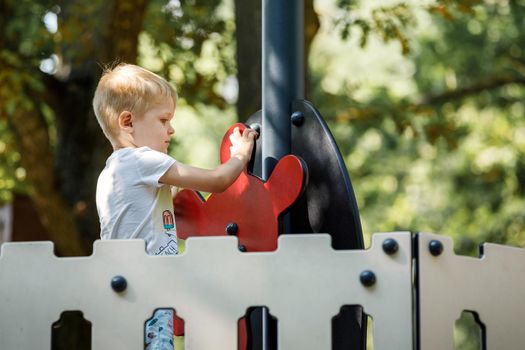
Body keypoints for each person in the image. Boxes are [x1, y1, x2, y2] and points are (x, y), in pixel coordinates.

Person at [92, 63, 257, 350]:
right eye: (163, 120)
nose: (172, 129)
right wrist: (240, 157)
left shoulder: (111, 173)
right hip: (148, 288)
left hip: (124, 288)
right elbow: (217, 181)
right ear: (128, 122)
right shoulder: (143, 160)